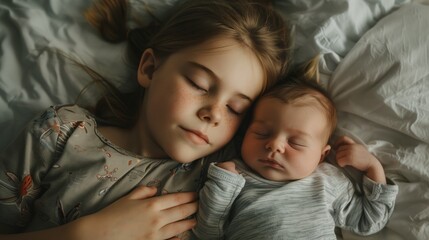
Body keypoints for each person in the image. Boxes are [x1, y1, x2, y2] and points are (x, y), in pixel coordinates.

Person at [0, 0, 292, 239]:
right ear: (149, 68)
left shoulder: (224, 177)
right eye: (199, 84)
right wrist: (83, 235)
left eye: (236, 109)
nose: (214, 113)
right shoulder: (61, 133)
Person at [193, 68, 399, 239]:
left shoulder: (328, 181)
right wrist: (221, 186)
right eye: (261, 133)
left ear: (321, 155)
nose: (275, 145)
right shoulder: (235, 178)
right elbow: (207, 232)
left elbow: (368, 222)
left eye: (296, 142)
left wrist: (373, 167)